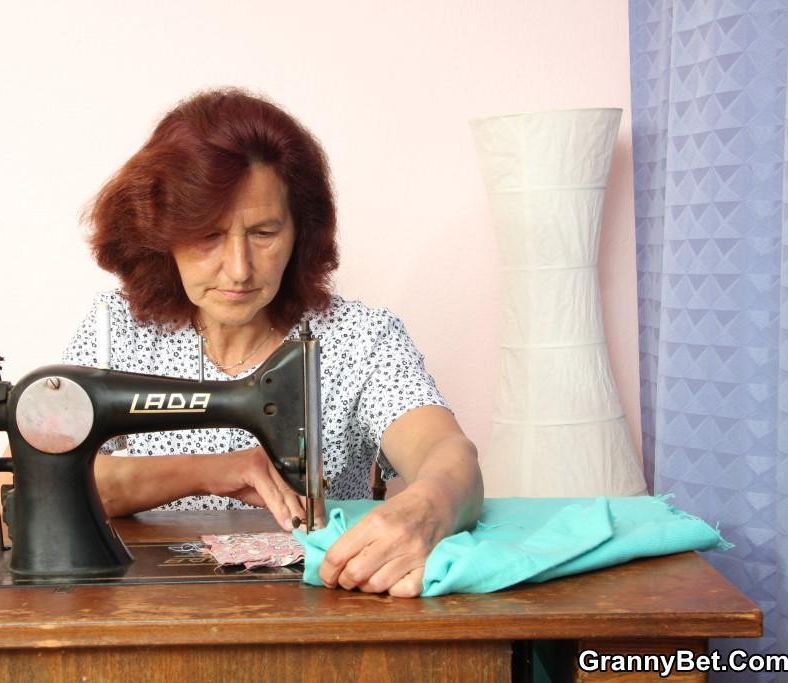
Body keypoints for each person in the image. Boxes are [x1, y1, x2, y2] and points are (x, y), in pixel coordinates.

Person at [62, 88, 483, 597]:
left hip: (322, 617)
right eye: (208, 237)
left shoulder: (360, 339)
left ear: (299, 232)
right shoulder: (117, 331)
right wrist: (212, 472)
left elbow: (446, 452)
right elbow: (50, 483)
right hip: (152, 613)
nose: (239, 269)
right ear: (161, 233)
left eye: (263, 233)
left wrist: (428, 507)